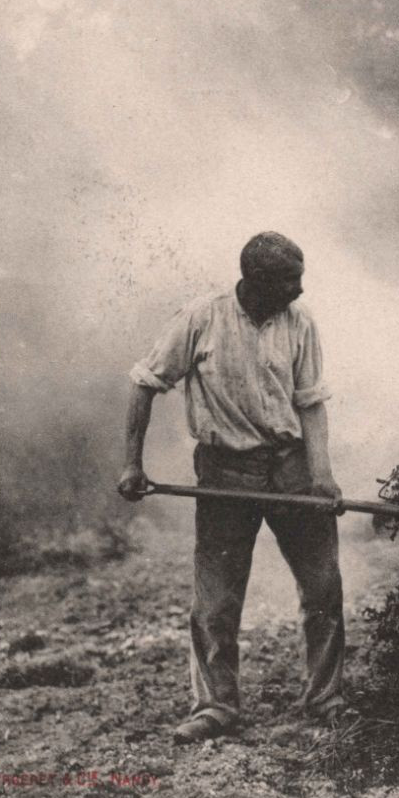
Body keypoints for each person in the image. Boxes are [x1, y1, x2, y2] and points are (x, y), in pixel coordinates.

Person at [116, 231, 346, 742]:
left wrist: (321, 474)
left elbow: (310, 401)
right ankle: (216, 705)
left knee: (323, 588)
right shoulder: (202, 318)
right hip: (224, 473)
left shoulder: (300, 322)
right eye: (291, 281)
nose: (300, 290)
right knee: (216, 600)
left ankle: (325, 697)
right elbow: (145, 382)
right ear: (256, 282)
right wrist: (132, 463)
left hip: (291, 469)